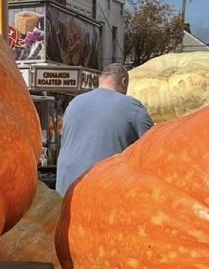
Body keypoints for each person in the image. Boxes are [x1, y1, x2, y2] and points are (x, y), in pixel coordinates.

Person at [55, 62, 153, 194]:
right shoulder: (133, 107)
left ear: (100, 80)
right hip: (104, 190)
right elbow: (152, 148)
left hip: (66, 186)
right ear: (123, 82)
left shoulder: (74, 103)